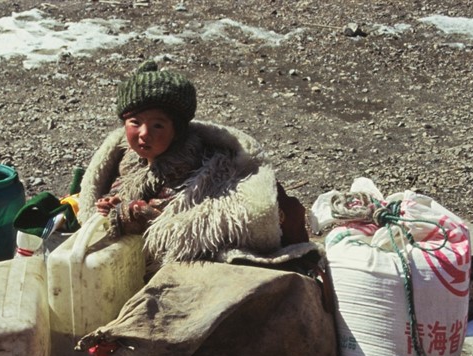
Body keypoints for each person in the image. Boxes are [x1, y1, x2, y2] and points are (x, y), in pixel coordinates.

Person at [76, 59, 311, 269]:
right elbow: (123, 186)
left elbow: (167, 221)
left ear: (176, 131)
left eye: (158, 126)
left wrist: (127, 214)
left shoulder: (188, 164)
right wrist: (111, 202)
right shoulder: (130, 159)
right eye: (135, 122)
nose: (144, 134)